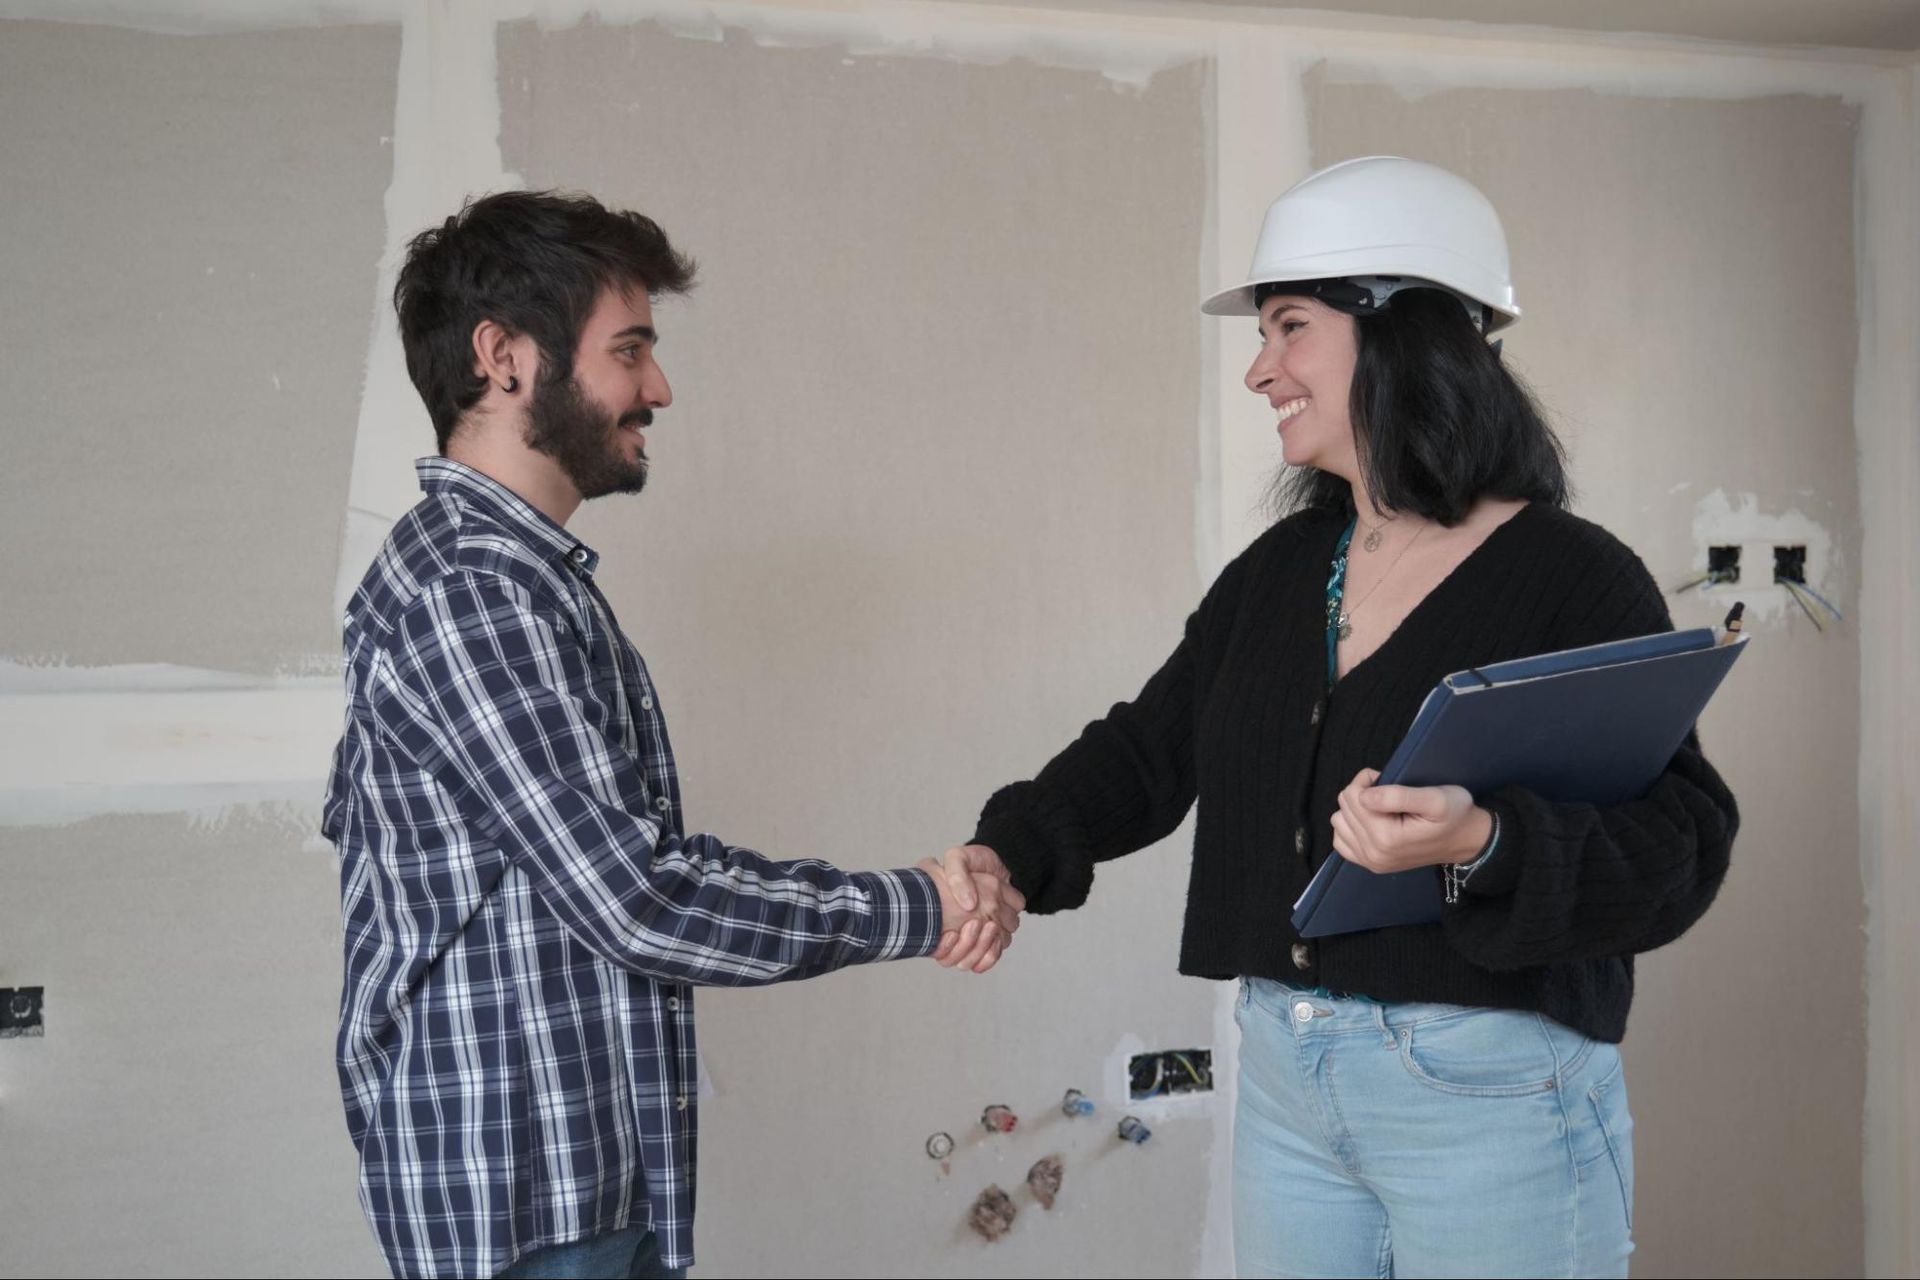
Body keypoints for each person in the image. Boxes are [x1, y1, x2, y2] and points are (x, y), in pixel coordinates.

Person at [942, 156, 1739, 1277]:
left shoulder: (1573, 577)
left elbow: (1681, 843)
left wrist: (1486, 839)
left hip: (1490, 1090)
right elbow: (1150, 747)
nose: (1259, 368)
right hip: (1286, 1076)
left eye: (1290, 327)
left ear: (1406, 333)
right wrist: (1009, 853)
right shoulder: (1282, 570)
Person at [321, 190, 1021, 1280]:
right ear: (504, 358)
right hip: (525, 1213)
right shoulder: (473, 592)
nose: (658, 387)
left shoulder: (516, 581)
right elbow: (636, 898)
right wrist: (920, 904)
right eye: (629, 349)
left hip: (571, 1194)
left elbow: (621, 874)